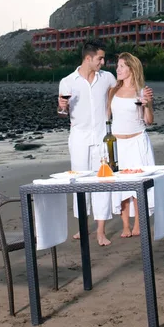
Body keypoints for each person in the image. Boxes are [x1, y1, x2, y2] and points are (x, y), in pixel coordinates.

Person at [58, 40, 116, 246]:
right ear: (88, 58)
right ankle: (83, 227)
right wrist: (61, 107)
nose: (103, 61)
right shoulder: (67, 82)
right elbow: (63, 113)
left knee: (102, 181)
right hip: (79, 139)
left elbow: (117, 97)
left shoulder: (107, 78)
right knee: (80, 183)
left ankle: (100, 231)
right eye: (100, 58)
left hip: (101, 138)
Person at [108, 52, 155, 238]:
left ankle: (138, 223)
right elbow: (106, 117)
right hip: (118, 143)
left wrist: (147, 105)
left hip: (137, 140)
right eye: (117, 66)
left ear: (131, 69)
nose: (117, 69)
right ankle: (125, 225)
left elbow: (149, 121)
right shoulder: (112, 91)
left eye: (121, 66)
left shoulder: (142, 91)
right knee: (120, 184)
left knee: (138, 182)